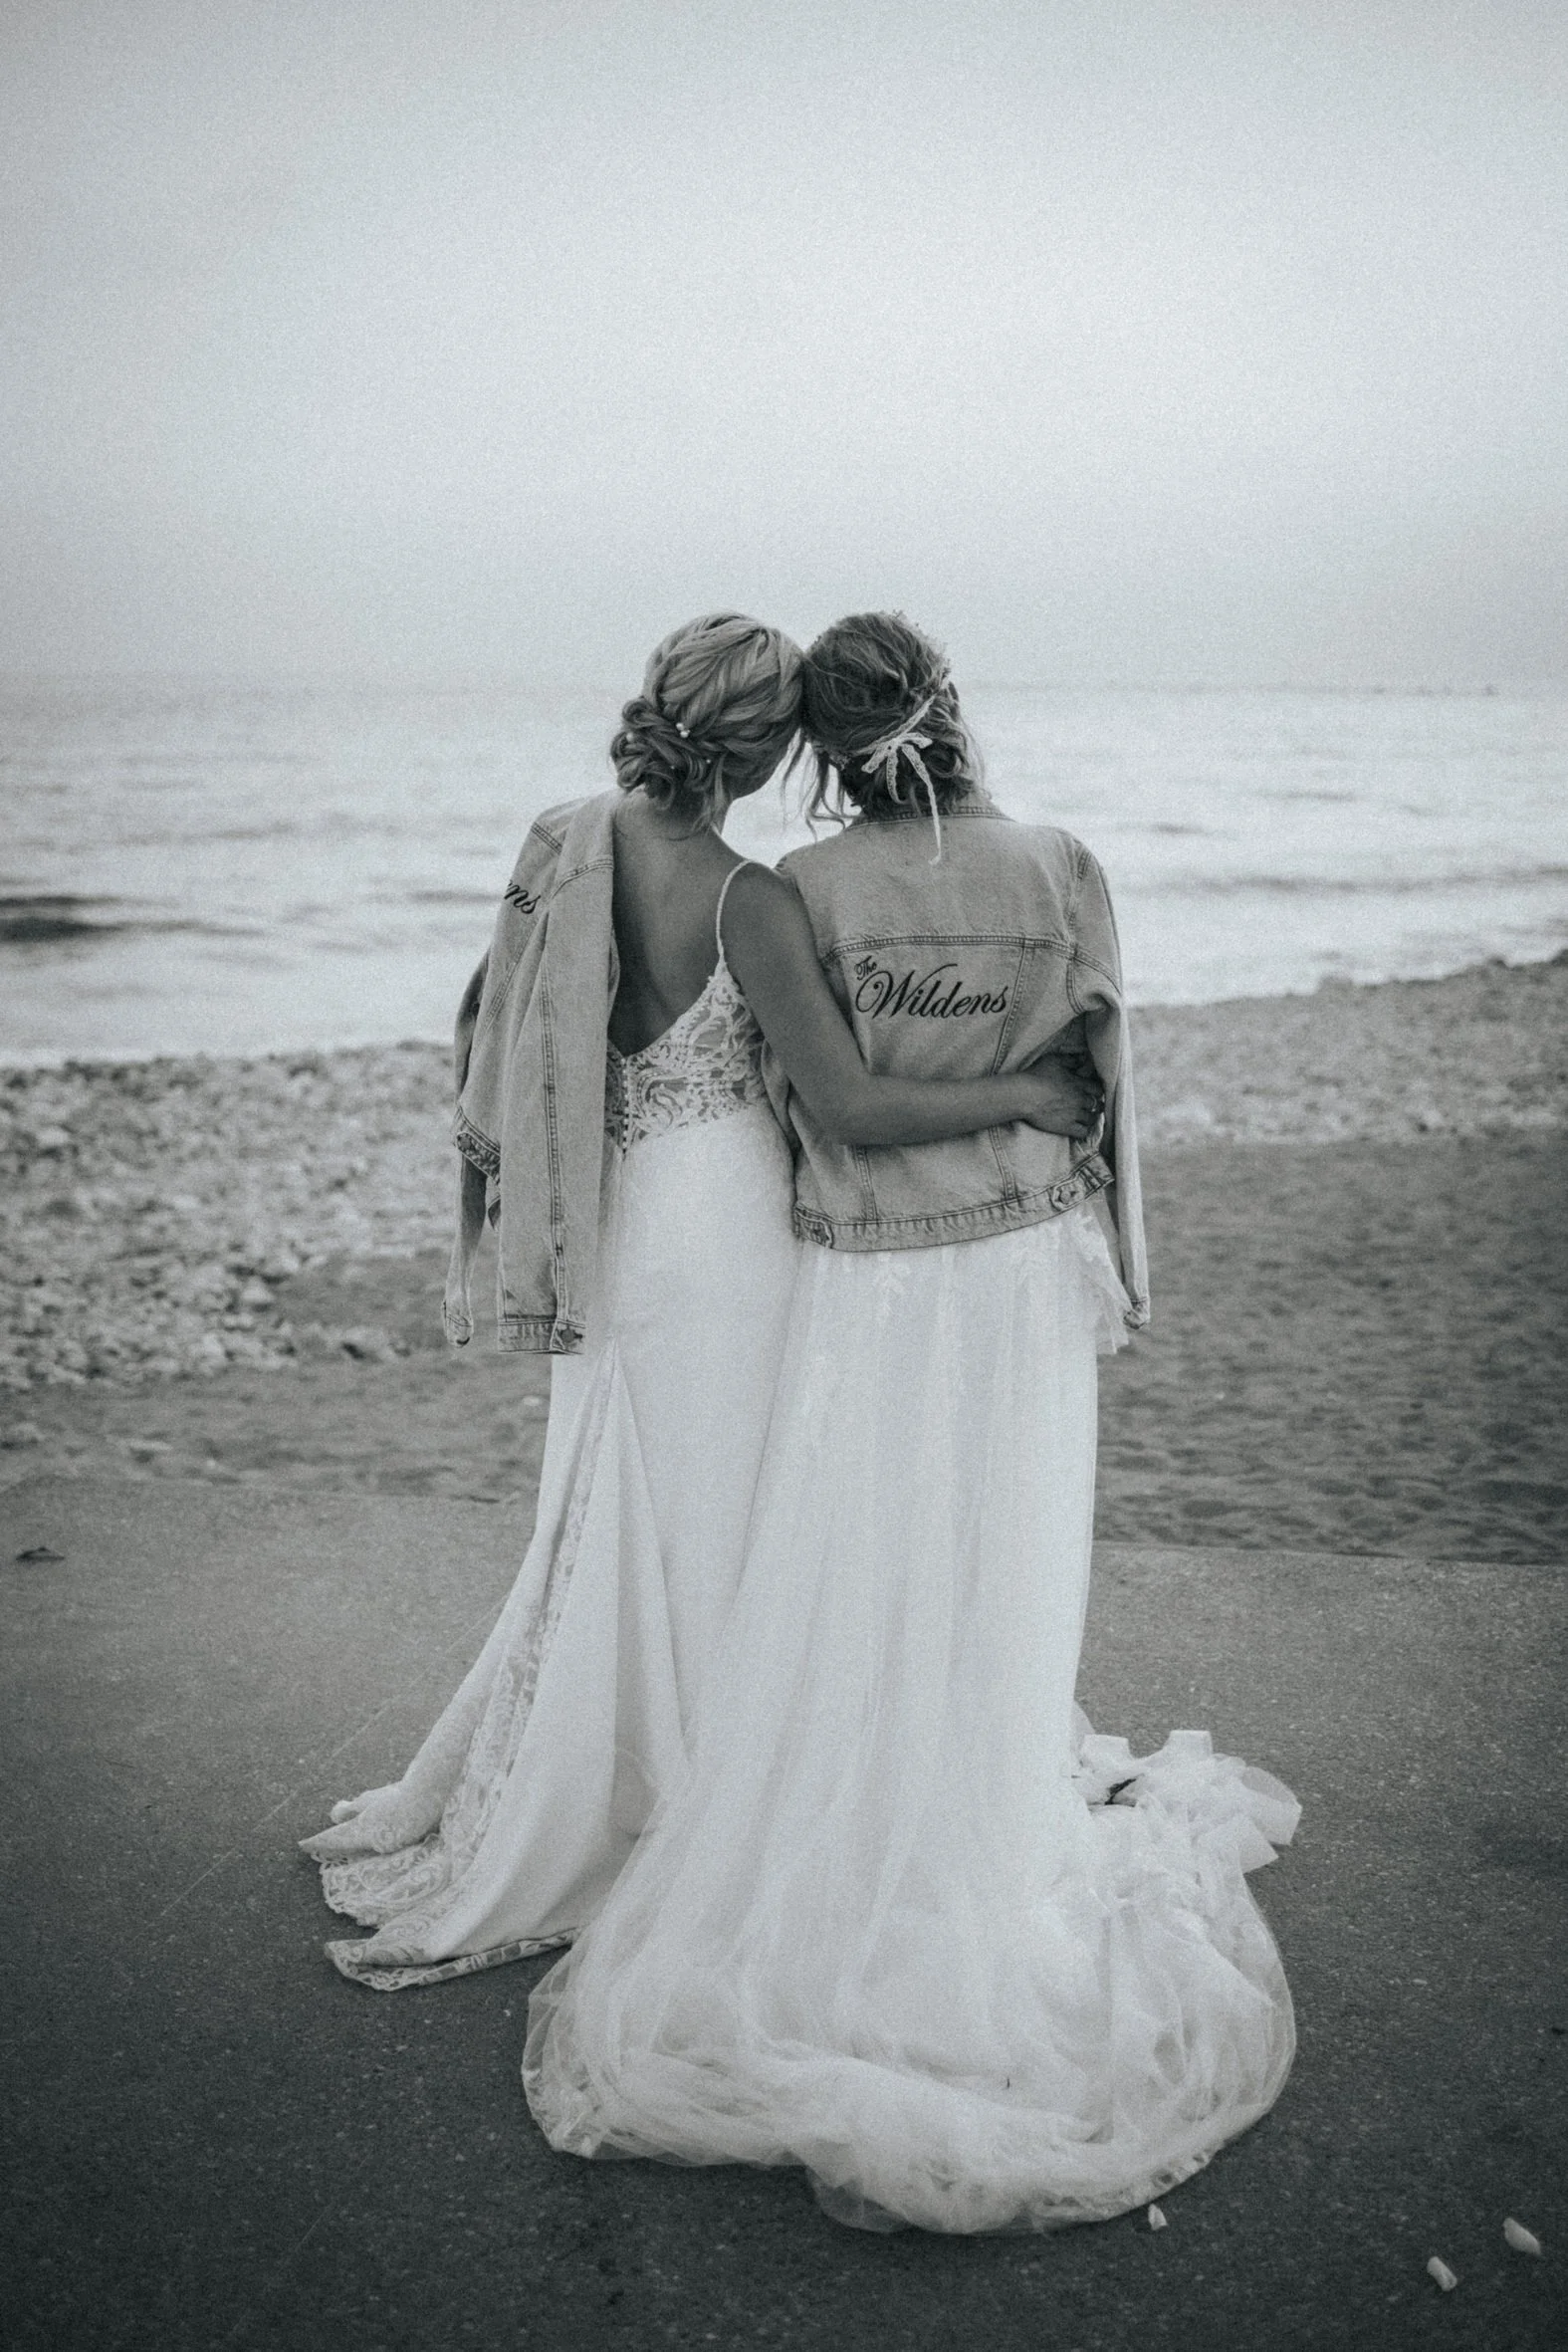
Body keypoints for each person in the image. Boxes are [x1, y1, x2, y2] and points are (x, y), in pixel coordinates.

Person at [525, 612, 1299, 2234]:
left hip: (869, 1269)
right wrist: (1126, 1261)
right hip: (1023, 1263)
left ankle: (874, 1800)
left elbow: (806, 1097)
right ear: (949, 709)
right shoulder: (1062, 865)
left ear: (820, 750)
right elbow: (1108, 1083)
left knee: (865, 1543)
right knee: (1005, 1546)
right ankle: (984, 1799)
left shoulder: (802, 888)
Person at [301, 613, 1099, 1988]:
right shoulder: (751, 900)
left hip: (610, 1218)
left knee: (615, 1496)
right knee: (733, 1513)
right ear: (772, 748)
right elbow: (849, 1104)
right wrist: (1028, 1089)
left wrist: (486, 1217)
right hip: (724, 1230)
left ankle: (595, 1774)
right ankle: (712, 1795)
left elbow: (492, 1027)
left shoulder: (568, 840)